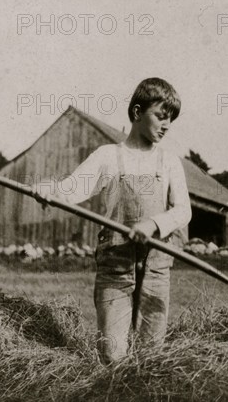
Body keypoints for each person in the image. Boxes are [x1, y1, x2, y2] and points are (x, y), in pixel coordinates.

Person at [33, 77, 192, 364]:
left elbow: (183, 211)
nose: (167, 125)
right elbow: (71, 190)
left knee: (151, 357)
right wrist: (48, 188)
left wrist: (153, 224)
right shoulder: (107, 156)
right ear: (136, 113)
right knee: (112, 355)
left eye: (171, 119)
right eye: (160, 116)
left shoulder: (170, 162)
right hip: (115, 269)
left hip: (157, 272)